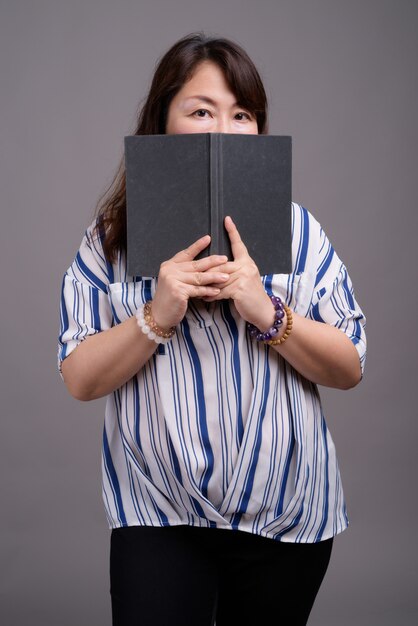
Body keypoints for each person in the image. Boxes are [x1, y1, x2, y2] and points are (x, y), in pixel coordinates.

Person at [58, 33, 366, 626]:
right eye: (202, 111)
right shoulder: (110, 240)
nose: (224, 128)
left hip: (288, 513)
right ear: (162, 122)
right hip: (158, 513)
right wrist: (156, 315)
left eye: (241, 113)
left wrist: (265, 309)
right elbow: (78, 377)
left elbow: (350, 366)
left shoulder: (299, 232)